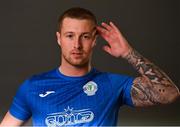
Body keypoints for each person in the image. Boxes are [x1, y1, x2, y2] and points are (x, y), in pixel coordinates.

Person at [0, 7, 179, 126]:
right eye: (70, 35)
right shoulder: (32, 87)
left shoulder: (112, 84)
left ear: (94, 40)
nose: (77, 45)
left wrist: (128, 53)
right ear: (58, 38)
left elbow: (169, 94)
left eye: (85, 36)